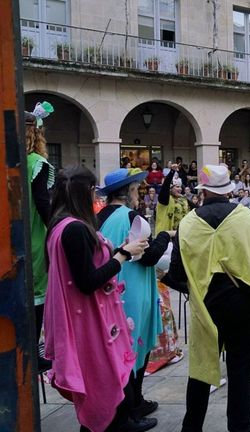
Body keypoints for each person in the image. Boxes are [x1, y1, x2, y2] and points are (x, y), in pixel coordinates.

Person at [166, 164, 250, 432]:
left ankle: (191, 428)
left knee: (201, 368)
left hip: (206, 305)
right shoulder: (246, 217)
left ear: (202, 191)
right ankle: (240, 428)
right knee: (240, 367)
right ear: (229, 190)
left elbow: (177, 273)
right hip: (244, 304)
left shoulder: (187, 223)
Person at [43, 166, 151, 432]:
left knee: (113, 386)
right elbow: (87, 282)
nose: (96, 196)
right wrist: (123, 254)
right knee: (105, 388)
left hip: (90, 321)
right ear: (83, 193)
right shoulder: (74, 229)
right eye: (92, 190)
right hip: (90, 325)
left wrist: (117, 251)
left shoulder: (61, 225)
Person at [97, 168, 175, 422]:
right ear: (129, 191)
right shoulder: (132, 217)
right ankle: (130, 410)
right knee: (134, 349)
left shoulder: (98, 216)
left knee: (119, 350)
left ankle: (134, 403)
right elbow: (149, 256)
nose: (137, 194)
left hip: (110, 291)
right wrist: (164, 236)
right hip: (133, 291)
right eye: (135, 189)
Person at [25, 107, 55, 371]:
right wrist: (57, 229)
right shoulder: (37, 163)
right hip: (34, 239)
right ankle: (32, 356)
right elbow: (43, 203)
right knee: (36, 301)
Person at [155, 163, 190, 235]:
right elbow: (165, 186)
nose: (180, 189)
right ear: (170, 189)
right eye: (177, 187)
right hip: (166, 236)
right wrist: (172, 172)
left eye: (180, 187)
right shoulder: (164, 199)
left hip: (180, 235)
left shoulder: (183, 199)